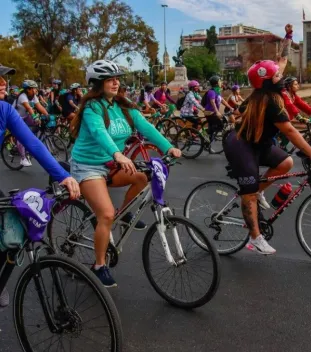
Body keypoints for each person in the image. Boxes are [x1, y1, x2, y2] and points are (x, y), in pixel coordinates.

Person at [70, 59, 181, 287]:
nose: (115, 83)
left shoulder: (124, 105)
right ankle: (99, 266)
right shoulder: (92, 107)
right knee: (106, 215)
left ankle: (125, 215)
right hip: (88, 167)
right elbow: (99, 132)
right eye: (109, 80)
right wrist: (117, 154)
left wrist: (168, 146)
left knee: (143, 177)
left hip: (112, 165)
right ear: (97, 84)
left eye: (117, 79)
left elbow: (146, 127)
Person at [223, 60, 311, 255]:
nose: (281, 78)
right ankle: (255, 239)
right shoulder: (268, 100)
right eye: (277, 76)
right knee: (249, 193)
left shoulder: (266, 94)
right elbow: (289, 130)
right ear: (267, 82)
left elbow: (240, 110)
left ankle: (256, 191)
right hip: (240, 145)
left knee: (286, 162)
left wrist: (287, 38)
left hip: (258, 143)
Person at [0, 64, 80, 308]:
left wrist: (61, 176)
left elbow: (34, 143)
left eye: (3, 79)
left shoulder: (4, 110)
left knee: (12, 230)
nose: (3, 83)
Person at [14, 80, 50, 167]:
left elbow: (39, 106)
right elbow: (29, 108)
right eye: (34, 88)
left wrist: (48, 115)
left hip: (25, 116)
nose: (35, 90)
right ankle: (23, 158)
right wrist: (35, 117)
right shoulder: (23, 96)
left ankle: (30, 144)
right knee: (21, 136)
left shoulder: (33, 96)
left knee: (37, 125)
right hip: (16, 118)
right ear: (28, 90)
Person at [204, 75, 233, 141]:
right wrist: (217, 112)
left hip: (214, 112)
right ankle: (205, 133)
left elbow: (222, 100)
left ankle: (208, 141)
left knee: (214, 126)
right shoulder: (211, 92)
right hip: (210, 113)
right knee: (220, 125)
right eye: (220, 81)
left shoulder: (217, 91)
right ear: (216, 83)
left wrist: (230, 107)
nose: (221, 82)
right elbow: (212, 102)